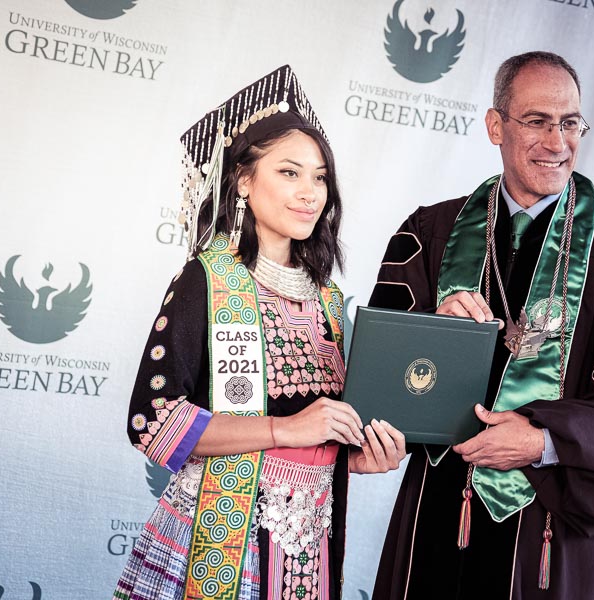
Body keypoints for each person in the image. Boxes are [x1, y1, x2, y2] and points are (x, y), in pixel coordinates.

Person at [368, 52, 594, 599]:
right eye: (537, 121)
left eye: (570, 122)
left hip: (549, 521)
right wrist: (429, 334)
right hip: (437, 500)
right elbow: (379, 376)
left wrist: (546, 441)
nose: (557, 142)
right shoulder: (432, 231)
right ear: (495, 125)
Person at [114, 65, 405, 600]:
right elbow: (152, 424)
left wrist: (359, 456)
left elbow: (325, 433)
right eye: (290, 173)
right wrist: (285, 429)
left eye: (319, 177)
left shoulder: (331, 303)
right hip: (221, 537)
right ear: (244, 181)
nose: (310, 192)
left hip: (307, 553)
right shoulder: (208, 278)